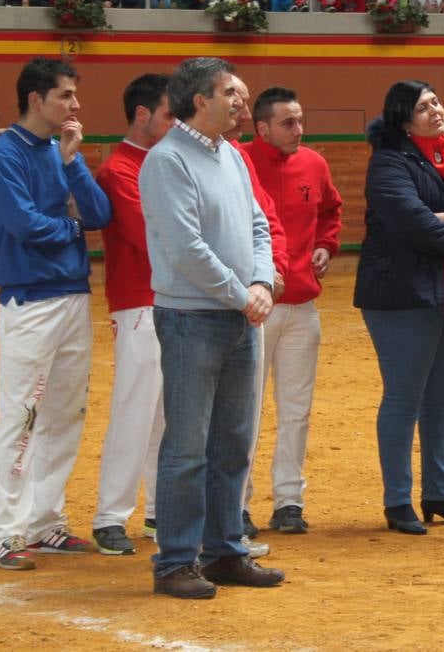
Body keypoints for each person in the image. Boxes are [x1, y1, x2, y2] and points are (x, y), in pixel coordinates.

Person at [138, 58, 281, 599]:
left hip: (240, 312)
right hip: (192, 317)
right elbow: (185, 247)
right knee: (187, 447)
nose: (242, 102)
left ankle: (224, 552)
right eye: (231, 93)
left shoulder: (233, 157)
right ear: (200, 100)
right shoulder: (167, 161)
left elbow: (258, 224)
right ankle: (176, 561)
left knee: (234, 443)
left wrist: (263, 281)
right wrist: (242, 293)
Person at [0, 58, 112, 571]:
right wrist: (72, 228)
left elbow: (99, 214)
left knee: (65, 414)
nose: (75, 105)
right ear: (36, 99)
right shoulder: (2, 154)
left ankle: (44, 521)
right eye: (65, 96)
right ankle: (7, 532)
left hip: (72, 295)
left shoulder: (61, 153)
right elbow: (25, 225)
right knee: (23, 415)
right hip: (30, 299)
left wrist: (73, 163)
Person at [354, 80, 444, 535]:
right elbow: (411, 223)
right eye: (423, 106)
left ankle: (438, 493)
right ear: (403, 117)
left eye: (436, 101)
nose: (435, 110)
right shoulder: (387, 162)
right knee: (403, 398)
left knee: (442, 398)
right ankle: (398, 500)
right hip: (399, 293)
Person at [243, 88, 342, 536]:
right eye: (288, 123)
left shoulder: (314, 164)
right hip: (252, 307)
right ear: (262, 127)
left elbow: (331, 212)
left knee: (296, 410)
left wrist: (325, 245)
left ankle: (289, 501)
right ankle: (236, 502)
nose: (299, 130)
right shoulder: (237, 163)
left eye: (300, 121)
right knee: (244, 410)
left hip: (301, 303)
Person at [91, 74, 177, 557]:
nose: (176, 123)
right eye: (168, 114)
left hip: (171, 299)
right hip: (139, 300)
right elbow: (152, 238)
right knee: (135, 410)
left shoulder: (160, 163)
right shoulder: (119, 169)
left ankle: (158, 510)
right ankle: (110, 515)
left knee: (167, 414)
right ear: (142, 115)